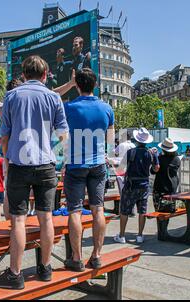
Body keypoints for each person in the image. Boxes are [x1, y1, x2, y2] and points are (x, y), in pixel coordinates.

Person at [0, 55, 69, 289]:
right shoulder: (54, 97)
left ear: (23, 75)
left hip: (18, 164)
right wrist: (56, 156)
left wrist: (7, 158)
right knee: (46, 218)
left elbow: (4, 136)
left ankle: (15, 274)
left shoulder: (11, 96)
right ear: (45, 75)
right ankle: (45, 268)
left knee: (18, 221)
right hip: (46, 165)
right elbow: (63, 135)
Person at [63, 68, 115, 271]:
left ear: (77, 85)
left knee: (75, 211)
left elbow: (61, 137)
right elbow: (110, 140)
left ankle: (76, 258)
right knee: (98, 209)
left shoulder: (69, 108)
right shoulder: (107, 108)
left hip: (75, 165)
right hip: (98, 165)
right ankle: (97, 255)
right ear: (95, 85)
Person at [113, 128, 160, 244]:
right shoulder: (151, 153)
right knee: (142, 210)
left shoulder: (131, 152)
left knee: (124, 210)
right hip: (144, 185)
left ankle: (122, 236)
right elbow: (156, 168)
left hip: (130, 185)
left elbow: (121, 167)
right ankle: (139, 236)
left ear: (137, 140)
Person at [153, 138, 182, 213]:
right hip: (172, 187)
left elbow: (152, 171)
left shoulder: (160, 159)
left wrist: (155, 157)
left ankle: (161, 224)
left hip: (160, 188)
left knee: (160, 211)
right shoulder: (177, 159)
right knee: (169, 209)